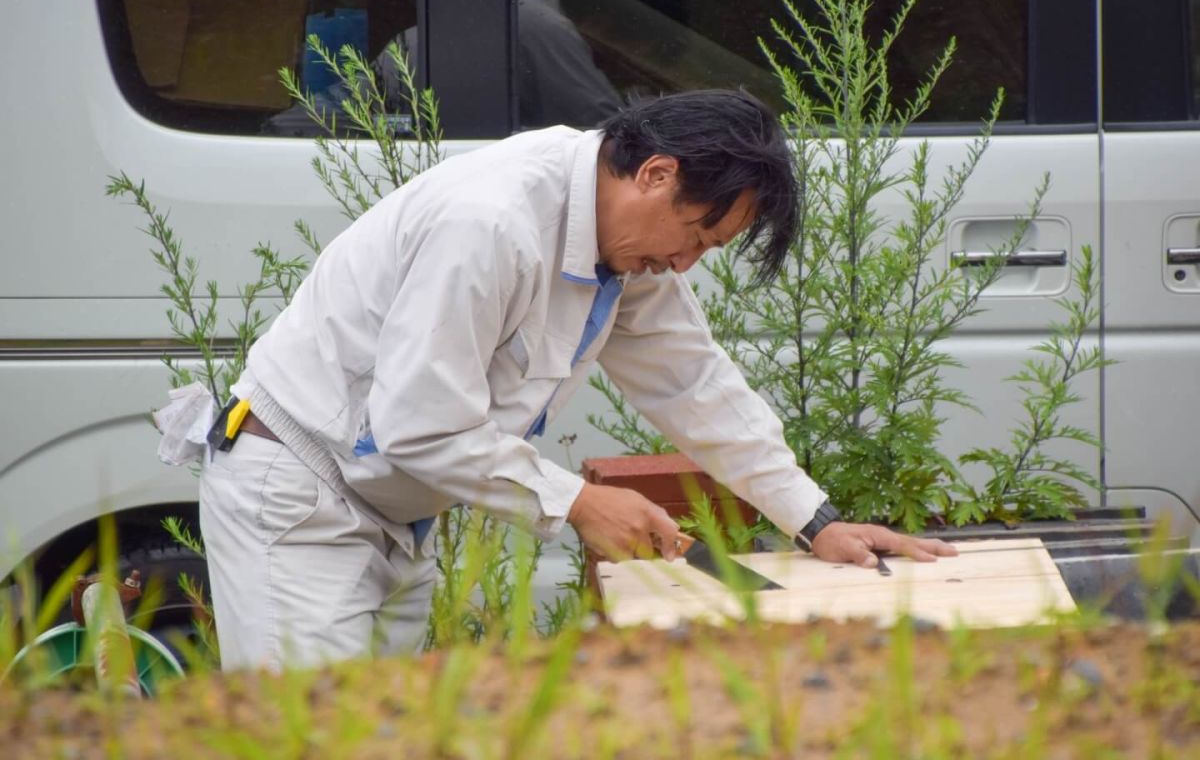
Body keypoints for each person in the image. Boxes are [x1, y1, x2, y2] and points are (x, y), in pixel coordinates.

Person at [198, 89, 956, 671]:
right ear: (658, 175)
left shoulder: (620, 237)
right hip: (301, 495)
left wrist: (815, 521)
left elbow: (694, 382)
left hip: (393, 513)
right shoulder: (492, 223)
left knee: (380, 735)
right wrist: (579, 501)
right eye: (697, 235)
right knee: (307, 737)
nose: (688, 262)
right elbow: (420, 423)